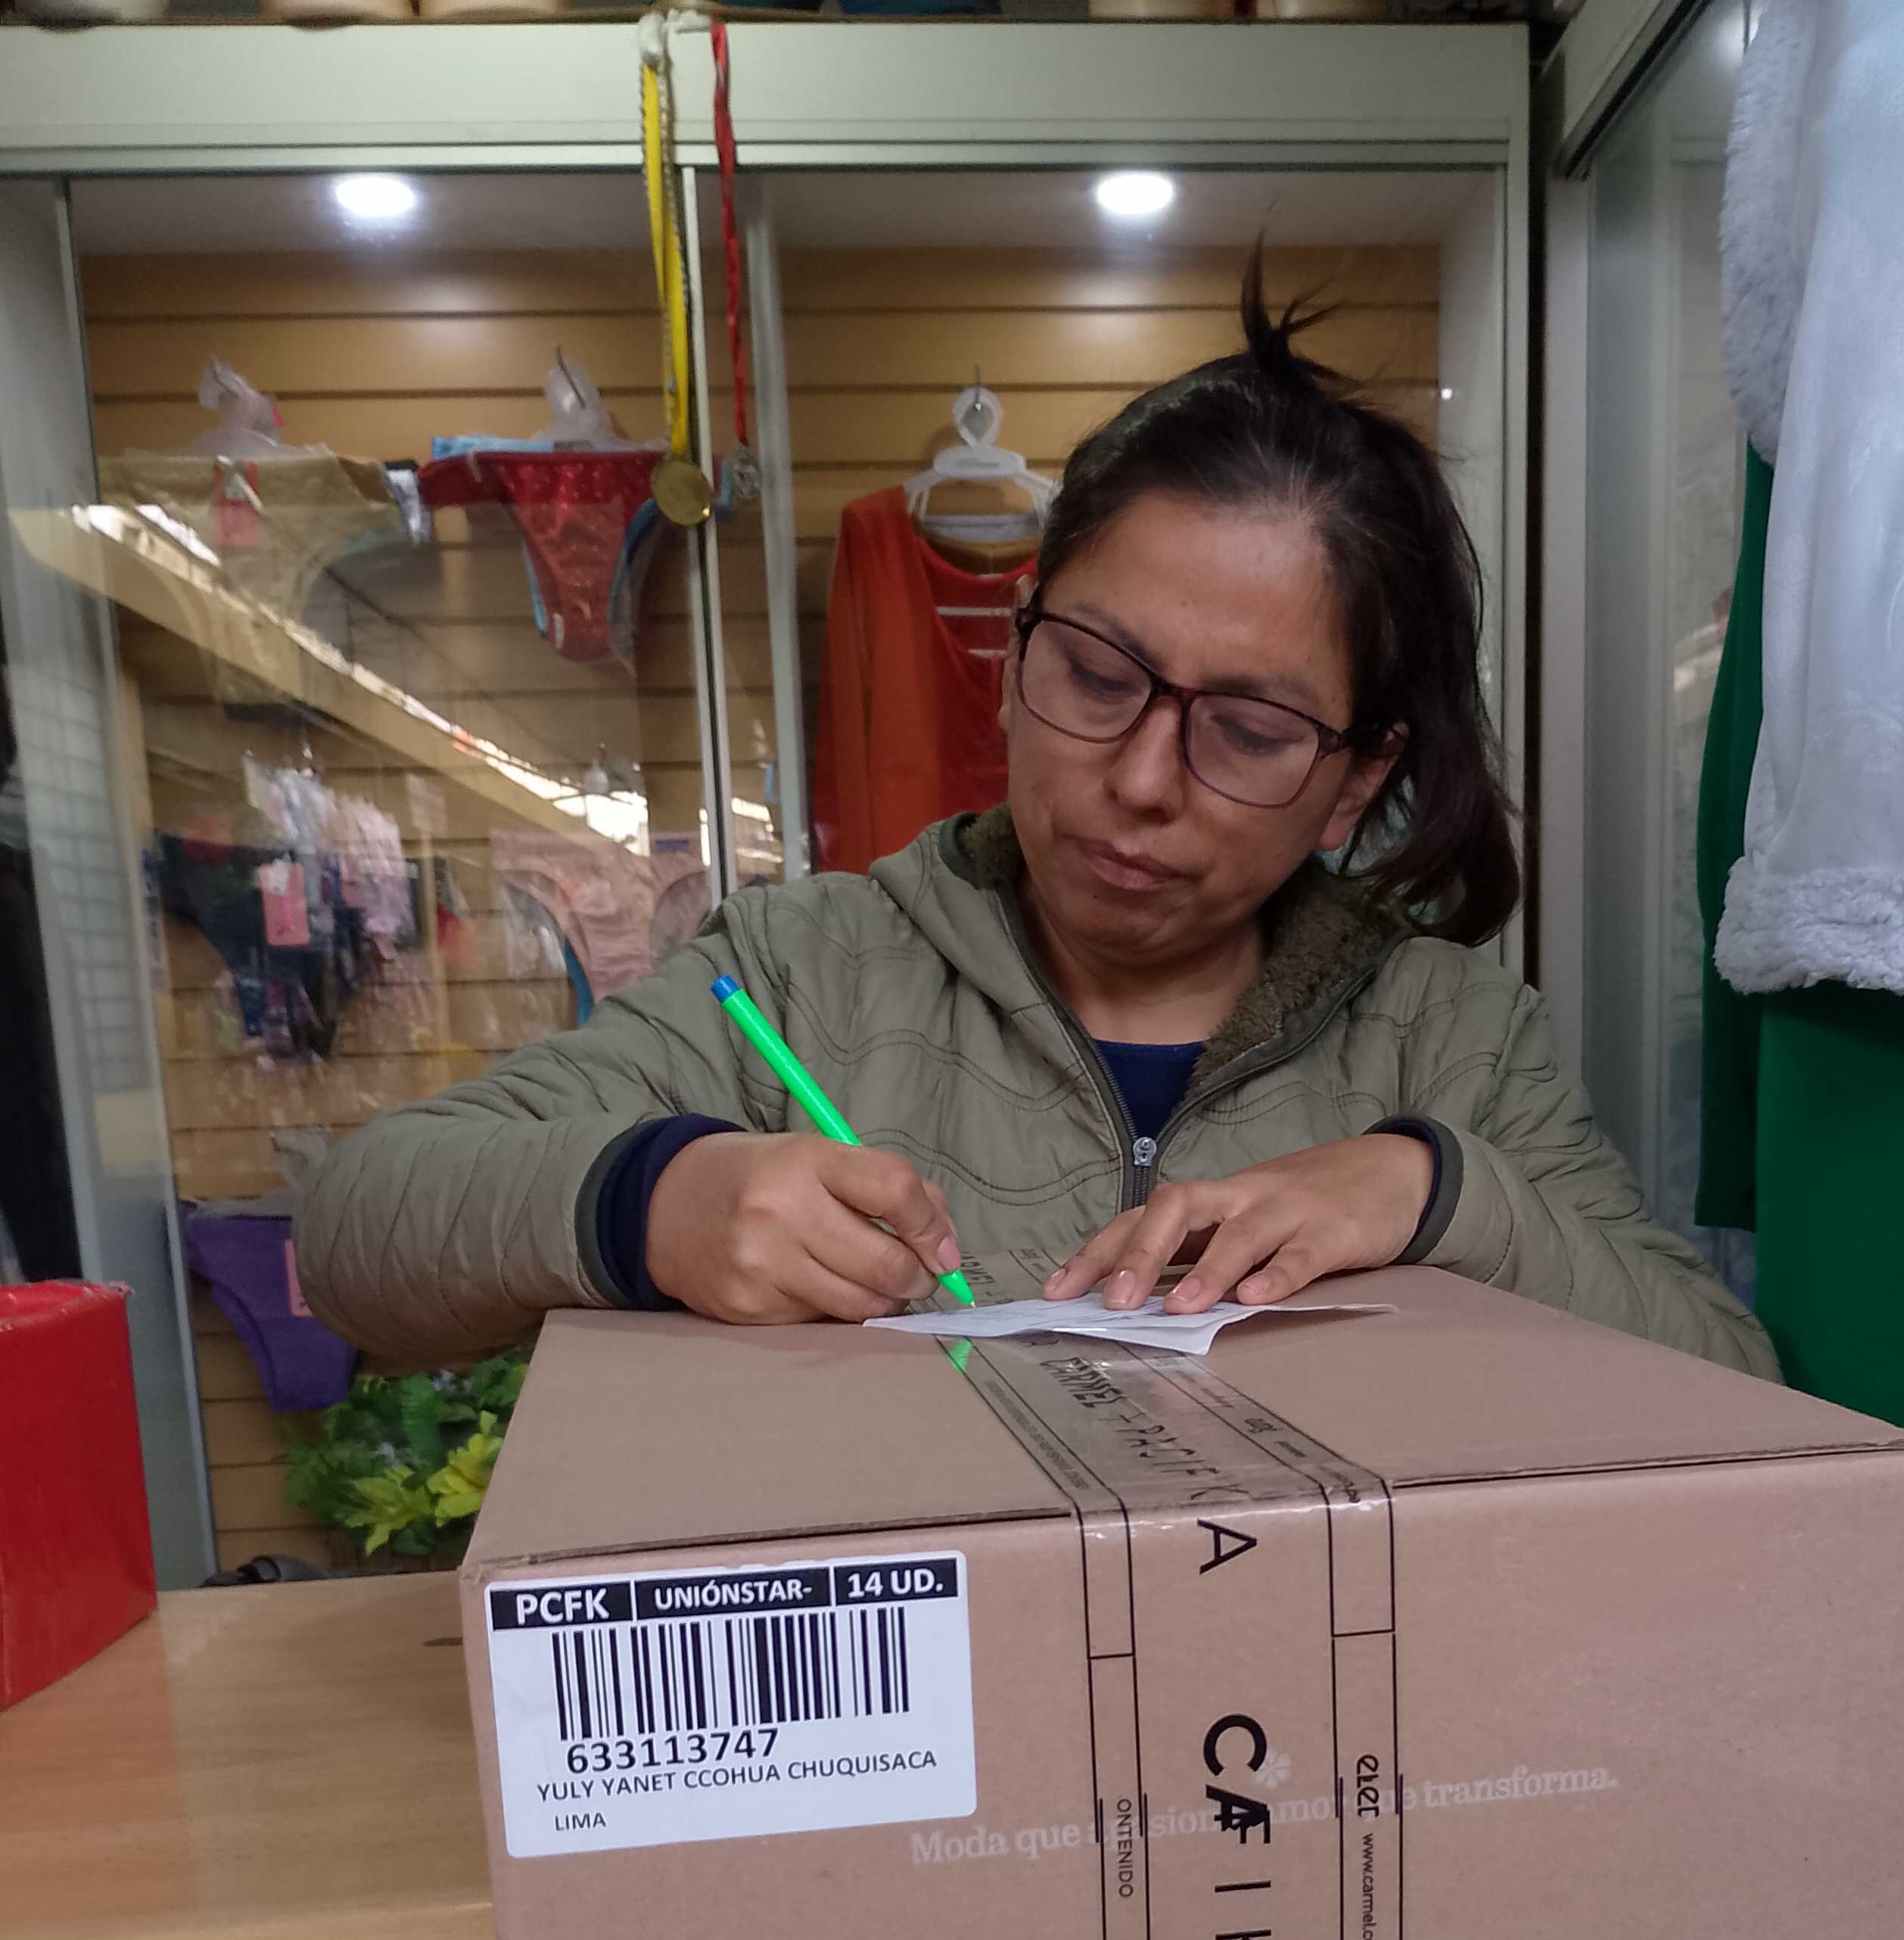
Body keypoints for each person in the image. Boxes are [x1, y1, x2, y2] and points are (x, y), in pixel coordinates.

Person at [296, 266, 1772, 1381]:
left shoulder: (1451, 1039)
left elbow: (1728, 1373)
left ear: (1357, 780)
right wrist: (653, 1199)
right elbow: (357, 1231)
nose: (1141, 781)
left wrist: (1438, 1189)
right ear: (1013, 649)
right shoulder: (802, 977)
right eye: (1098, 676)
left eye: (1249, 732)